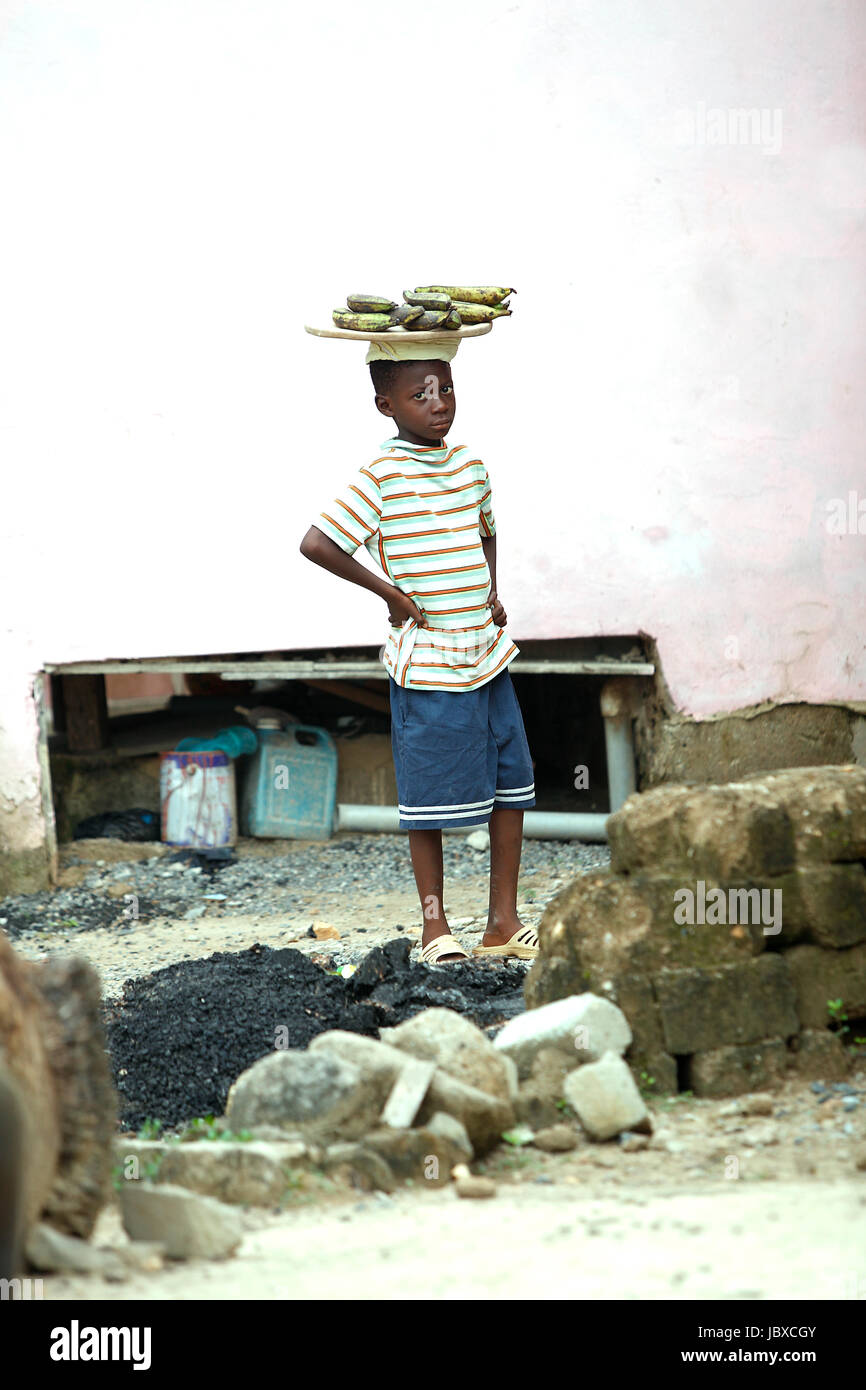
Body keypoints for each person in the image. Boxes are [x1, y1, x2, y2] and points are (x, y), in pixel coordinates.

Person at [300, 334, 538, 964]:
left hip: (486, 656)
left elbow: (486, 532)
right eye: (420, 393)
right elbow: (317, 544)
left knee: (512, 787)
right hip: (428, 663)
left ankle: (502, 923)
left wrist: (491, 591)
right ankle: (435, 930)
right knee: (428, 802)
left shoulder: (471, 467)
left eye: (447, 388)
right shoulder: (380, 476)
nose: (439, 403)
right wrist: (389, 595)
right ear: (386, 404)